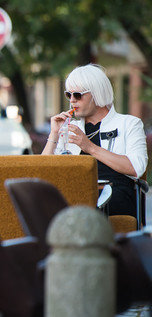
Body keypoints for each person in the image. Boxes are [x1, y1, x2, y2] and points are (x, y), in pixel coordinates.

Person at [42, 64, 148, 217]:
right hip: (75, 194)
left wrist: (90, 147)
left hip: (115, 195)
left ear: (96, 93)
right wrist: (54, 134)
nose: (72, 101)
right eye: (68, 95)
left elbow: (137, 168)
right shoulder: (70, 129)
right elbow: (42, 170)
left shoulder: (129, 124)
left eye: (77, 95)